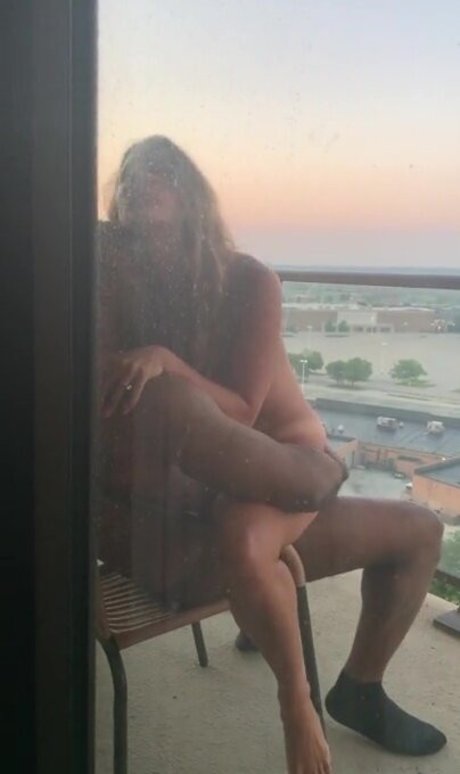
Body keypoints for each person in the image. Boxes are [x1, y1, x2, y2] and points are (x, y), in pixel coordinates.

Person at [97, 135, 446, 774]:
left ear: (191, 196)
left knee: (409, 529)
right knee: (248, 540)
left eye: (156, 177)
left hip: (285, 460)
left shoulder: (244, 280)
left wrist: (165, 361)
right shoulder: (129, 290)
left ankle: (343, 691)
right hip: (216, 480)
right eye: (127, 183)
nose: (137, 190)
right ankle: (287, 661)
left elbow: (240, 413)